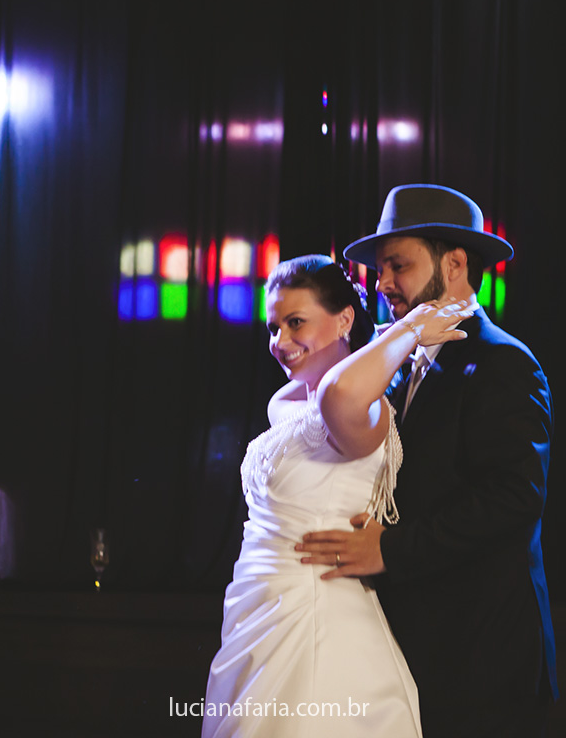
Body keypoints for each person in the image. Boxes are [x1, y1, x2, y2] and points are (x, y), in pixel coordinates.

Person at [297, 184, 558, 736]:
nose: (383, 282)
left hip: (483, 659)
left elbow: (515, 498)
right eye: (381, 269)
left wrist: (388, 548)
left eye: (398, 265)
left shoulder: (504, 362)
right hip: (412, 650)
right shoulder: (397, 364)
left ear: (456, 263)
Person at [202, 254, 475, 738]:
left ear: (345, 319)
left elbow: (338, 393)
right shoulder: (288, 402)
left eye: (296, 323)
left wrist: (408, 329)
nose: (279, 342)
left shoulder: (359, 408)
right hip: (257, 615)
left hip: (317, 618)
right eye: (272, 327)